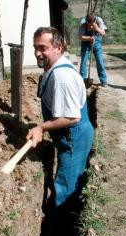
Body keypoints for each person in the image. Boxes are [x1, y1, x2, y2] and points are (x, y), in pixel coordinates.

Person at [26, 27, 94, 208]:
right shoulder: (54, 68)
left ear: (59, 48)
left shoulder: (62, 77)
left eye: (43, 48)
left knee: (66, 186)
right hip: (70, 137)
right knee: (69, 178)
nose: (37, 53)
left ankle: (62, 223)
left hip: (73, 138)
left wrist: (40, 127)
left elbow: (71, 117)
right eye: (35, 47)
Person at [78, 13, 107, 87]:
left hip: (96, 43)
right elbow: (80, 37)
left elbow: (103, 33)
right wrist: (89, 38)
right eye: (89, 24)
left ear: (95, 20)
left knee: (100, 61)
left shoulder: (99, 20)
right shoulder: (83, 24)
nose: (91, 25)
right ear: (87, 21)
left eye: (92, 23)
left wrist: (96, 28)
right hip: (86, 43)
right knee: (83, 61)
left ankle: (103, 81)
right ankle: (82, 81)